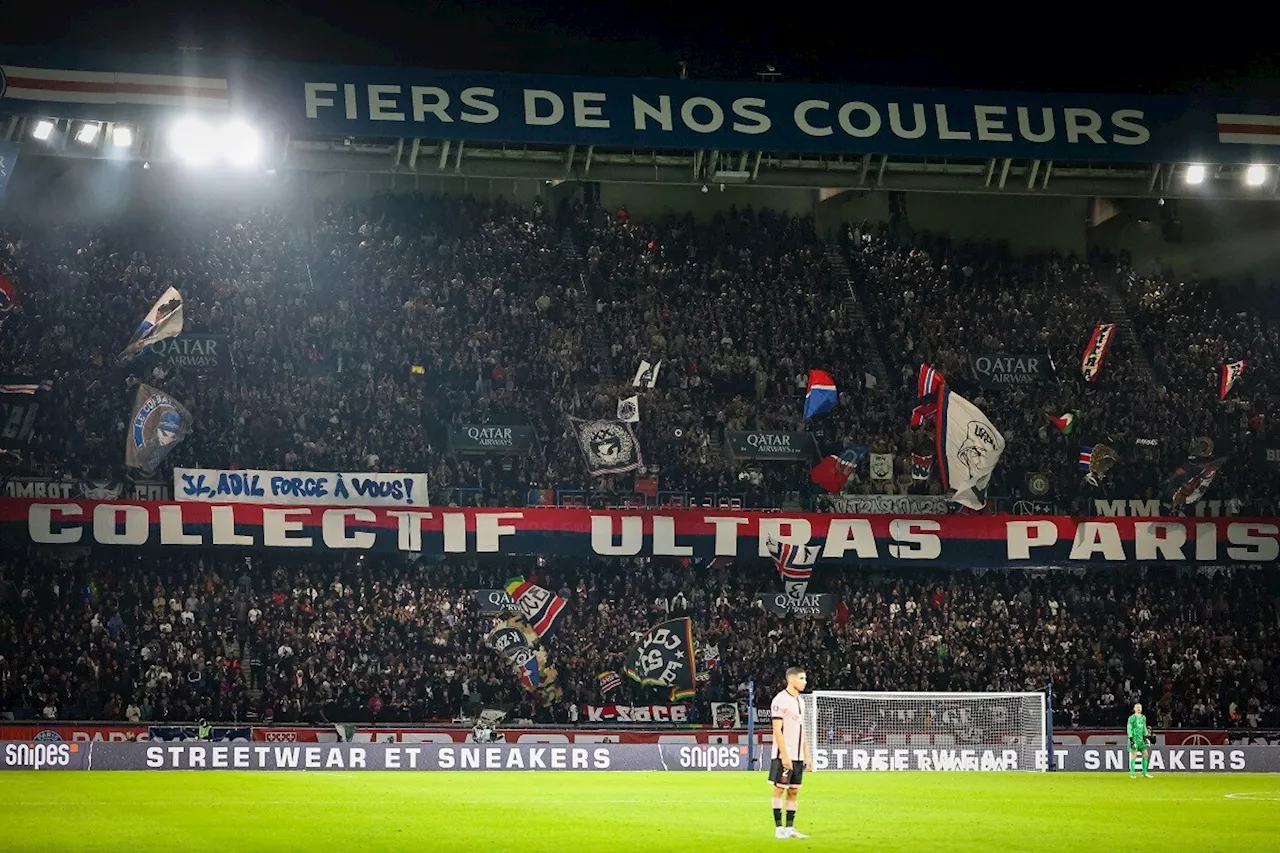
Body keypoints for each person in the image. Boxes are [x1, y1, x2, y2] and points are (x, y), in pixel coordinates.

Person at [769, 666, 813, 839]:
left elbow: (802, 731)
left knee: (794, 791)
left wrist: (807, 756)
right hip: (784, 755)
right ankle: (778, 828)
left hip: (798, 756)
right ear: (791, 679)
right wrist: (784, 755)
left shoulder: (801, 701)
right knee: (779, 789)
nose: (804, 681)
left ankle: (790, 828)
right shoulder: (780, 700)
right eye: (801, 678)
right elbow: (777, 731)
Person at [1127, 702, 1152, 778]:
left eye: (1140, 707)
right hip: (1134, 739)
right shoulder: (1132, 718)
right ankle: (1132, 773)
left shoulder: (1143, 717)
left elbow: (1144, 727)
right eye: (1137, 707)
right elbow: (1129, 728)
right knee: (1134, 756)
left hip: (1141, 740)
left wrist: (1147, 736)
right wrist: (1131, 739)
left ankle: (1144, 773)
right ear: (1134, 709)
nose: (1138, 709)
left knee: (1146, 754)